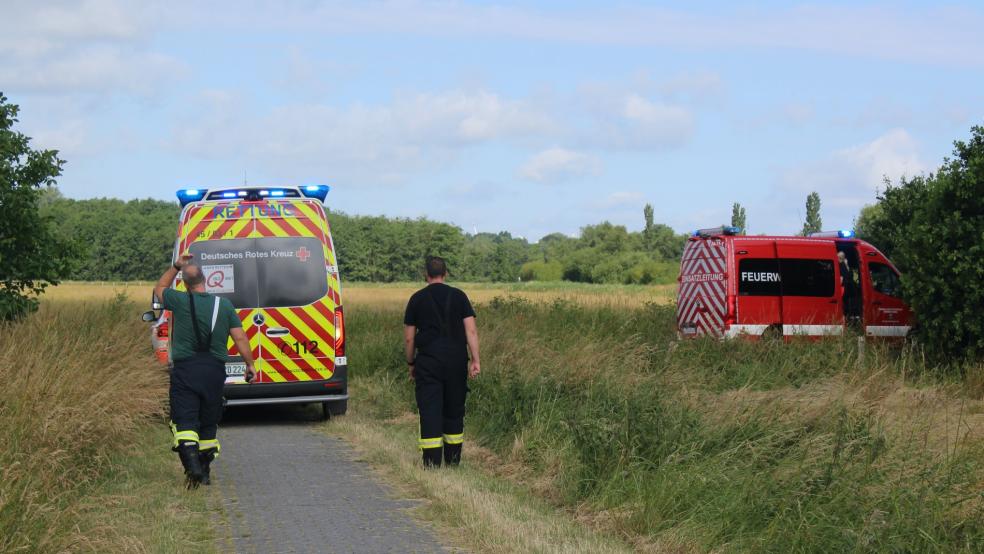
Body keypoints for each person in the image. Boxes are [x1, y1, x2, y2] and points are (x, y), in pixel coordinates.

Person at [154, 254, 256, 488]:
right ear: (206, 280)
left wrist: (175, 266)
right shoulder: (224, 305)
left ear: (185, 283)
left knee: (185, 418)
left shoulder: (178, 300)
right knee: (208, 421)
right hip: (214, 371)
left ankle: (193, 468)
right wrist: (249, 364)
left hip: (186, 369)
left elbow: (159, 287)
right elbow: (239, 336)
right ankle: (205, 470)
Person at [403, 257, 481, 468]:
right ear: (445, 274)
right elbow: (471, 330)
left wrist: (411, 363)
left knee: (430, 410)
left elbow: (410, 338)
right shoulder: (459, 297)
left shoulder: (416, 299)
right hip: (456, 361)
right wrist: (475, 360)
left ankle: (432, 463)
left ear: (426, 274)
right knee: (454, 409)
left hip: (428, 363)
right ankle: (453, 460)